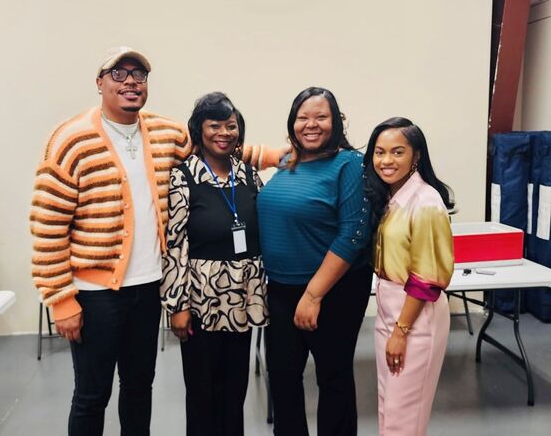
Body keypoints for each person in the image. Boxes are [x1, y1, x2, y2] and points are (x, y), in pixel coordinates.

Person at [29, 47, 277, 436]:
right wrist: (61, 300)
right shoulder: (70, 139)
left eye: (139, 75)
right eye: (119, 73)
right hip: (96, 294)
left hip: (147, 288)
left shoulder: (164, 132)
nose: (131, 81)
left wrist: (274, 155)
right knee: (92, 395)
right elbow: (47, 226)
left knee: (138, 388)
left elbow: (217, 144)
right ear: (100, 83)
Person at [256, 87, 373, 436]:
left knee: (332, 377)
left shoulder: (349, 164)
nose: (311, 125)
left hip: (333, 290)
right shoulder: (287, 160)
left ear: (336, 122)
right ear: (292, 123)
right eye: (302, 118)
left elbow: (353, 234)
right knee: (282, 377)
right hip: (280, 288)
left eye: (321, 117)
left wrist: (313, 295)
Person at [160, 92, 268, 436]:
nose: (224, 132)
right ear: (199, 129)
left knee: (235, 392)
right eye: (215, 124)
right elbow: (175, 244)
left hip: (243, 297)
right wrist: (177, 305)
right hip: (201, 299)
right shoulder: (184, 177)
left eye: (231, 125)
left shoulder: (250, 176)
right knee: (203, 392)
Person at [363, 117, 455, 436]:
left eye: (397, 152)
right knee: (389, 408)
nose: (386, 161)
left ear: (415, 156)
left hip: (415, 315)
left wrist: (401, 332)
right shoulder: (391, 197)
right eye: (379, 152)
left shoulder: (426, 202)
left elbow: (427, 277)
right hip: (389, 307)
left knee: (405, 417)